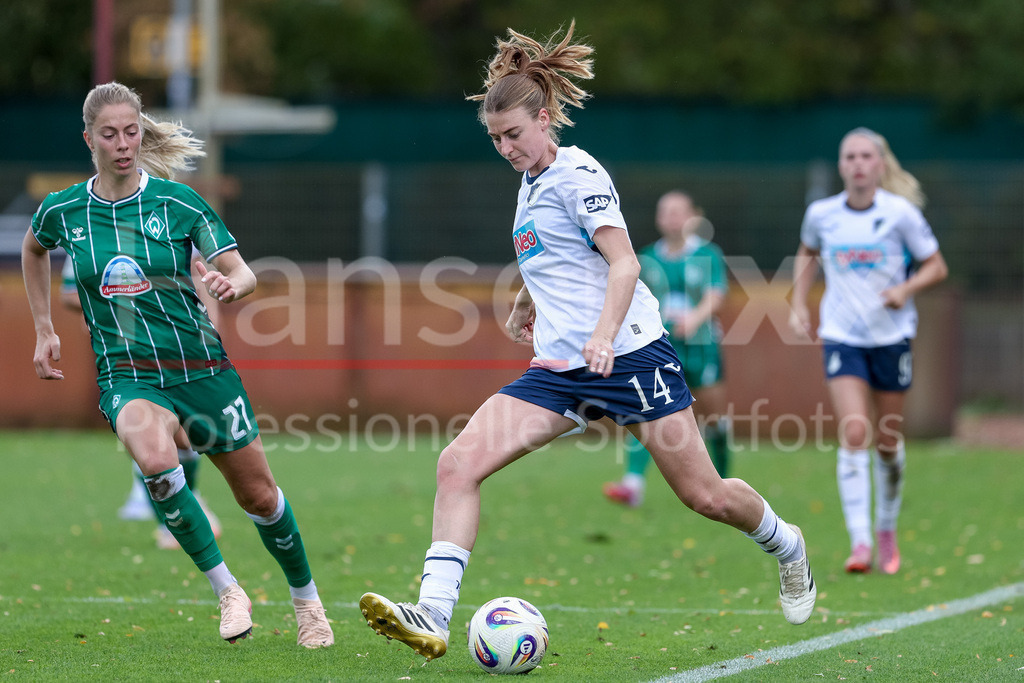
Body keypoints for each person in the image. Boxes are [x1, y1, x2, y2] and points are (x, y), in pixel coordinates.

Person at [358, 22, 816, 662]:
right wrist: (526, 300)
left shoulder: (579, 173)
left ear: (545, 118)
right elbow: (557, 260)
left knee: (705, 495)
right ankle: (432, 612)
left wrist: (602, 336)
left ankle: (786, 544)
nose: (506, 147)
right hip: (560, 370)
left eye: (514, 134)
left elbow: (625, 264)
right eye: (495, 139)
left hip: (630, 357)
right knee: (458, 464)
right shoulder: (529, 186)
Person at [22, 81, 333, 647]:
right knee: (156, 468)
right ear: (88, 138)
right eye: (110, 134)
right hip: (128, 376)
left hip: (202, 370)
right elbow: (33, 249)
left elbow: (244, 272)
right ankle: (228, 591)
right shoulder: (63, 209)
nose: (123, 144)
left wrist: (229, 284)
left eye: (132, 131)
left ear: (143, 131)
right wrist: (44, 328)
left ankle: (307, 601)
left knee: (259, 498)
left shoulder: (178, 202)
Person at [788, 127, 948, 575]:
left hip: (892, 337)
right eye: (849, 157)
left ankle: (886, 529)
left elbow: (937, 265)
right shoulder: (823, 213)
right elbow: (807, 252)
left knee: (887, 442)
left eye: (865, 157)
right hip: (843, 336)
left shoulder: (901, 214)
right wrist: (799, 304)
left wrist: (906, 288)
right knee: (855, 432)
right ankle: (859, 543)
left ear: (880, 164)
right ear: (841, 166)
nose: (857, 164)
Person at [60, 251, 223, 548]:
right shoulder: (85, 231)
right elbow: (70, 294)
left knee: (184, 437)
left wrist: (210, 329)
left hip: (177, 346)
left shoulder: (164, 220)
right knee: (146, 432)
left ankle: (188, 497)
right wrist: (117, 302)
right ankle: (169, 523)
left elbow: (200, 279)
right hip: (124, 354)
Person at [603, 190, 731, 507]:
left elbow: (716, 295)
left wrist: (695, 319)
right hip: (660, 345)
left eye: (678, 211)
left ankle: (725, 482)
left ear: (692, 217)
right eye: (666, 212)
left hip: (702, 346)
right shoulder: (646, 257)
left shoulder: (708, 254)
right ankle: (633, 484)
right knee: (648, 408)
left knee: (713, 419)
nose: (672, 217)